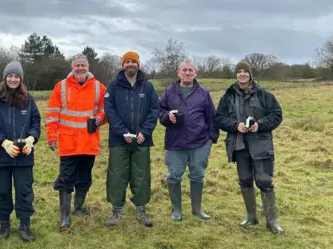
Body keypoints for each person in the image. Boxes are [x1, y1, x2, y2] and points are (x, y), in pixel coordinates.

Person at [214, 61, 284, 233]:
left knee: (265, 181)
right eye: (239, 72)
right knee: (245, 181)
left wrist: (260, 124)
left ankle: (272, 221)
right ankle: (251, 217)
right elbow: (219, 118)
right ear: (236, 75)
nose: (243, 74)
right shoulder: (228, 96)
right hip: (239, 146)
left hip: (261, 145)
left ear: (250, 74)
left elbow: (277, 114)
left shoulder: (264, 94)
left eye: (246, 71)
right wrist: (234, 125)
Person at [45, 54, 107, 232]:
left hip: (89, 142)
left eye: (83, 65)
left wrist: (100, 118)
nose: (80, 68)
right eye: (77, 65)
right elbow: (52, 113)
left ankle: (78, 208)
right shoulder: (61, 86)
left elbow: (105, 108)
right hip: (68, 143)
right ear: (72, 67)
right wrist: (51, 136)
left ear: (88, 67)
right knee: (66, 179)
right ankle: (65, 217)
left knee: (84, 178)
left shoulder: (98, 87)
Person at [0, 60, 41, 241]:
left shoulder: (29, 100)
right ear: (5, 78)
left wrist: (31, 139)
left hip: (23, 156)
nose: (13, 79)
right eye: (10, 76)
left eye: (17, 76)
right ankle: (4, 224)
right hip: (0, 156)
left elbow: (36, 122)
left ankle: (24, 225)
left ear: (21, 79)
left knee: (24, 190)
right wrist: (4, 142)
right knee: (3, 191)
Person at [104, 51, 159, 227]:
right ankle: (116, 209)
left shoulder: (147, 87)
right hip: (119, 139)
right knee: (117, 175)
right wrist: (122, 132)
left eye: (133, 62)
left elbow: (154, 110)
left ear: (138, 65)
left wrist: (146, 131)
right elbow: (109, 110)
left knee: (141, 175)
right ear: (122, 65)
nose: (130, 64)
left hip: (142, 139)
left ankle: (141, 209)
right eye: (127, 61)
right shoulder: (113, 86)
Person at [158, 60, 219, 222]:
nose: (187, 73)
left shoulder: (204, 93)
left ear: (195, 73)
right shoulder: (169, 91)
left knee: (198, 175)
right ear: (178, 73)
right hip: (175, 143)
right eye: (184, 70)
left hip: (199, 142)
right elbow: (159, 111)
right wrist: (166, 116)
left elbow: (211, 117)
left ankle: (197, 210)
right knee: (173, 176)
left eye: (190, 70)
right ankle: (176, 210)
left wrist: (211, 139)